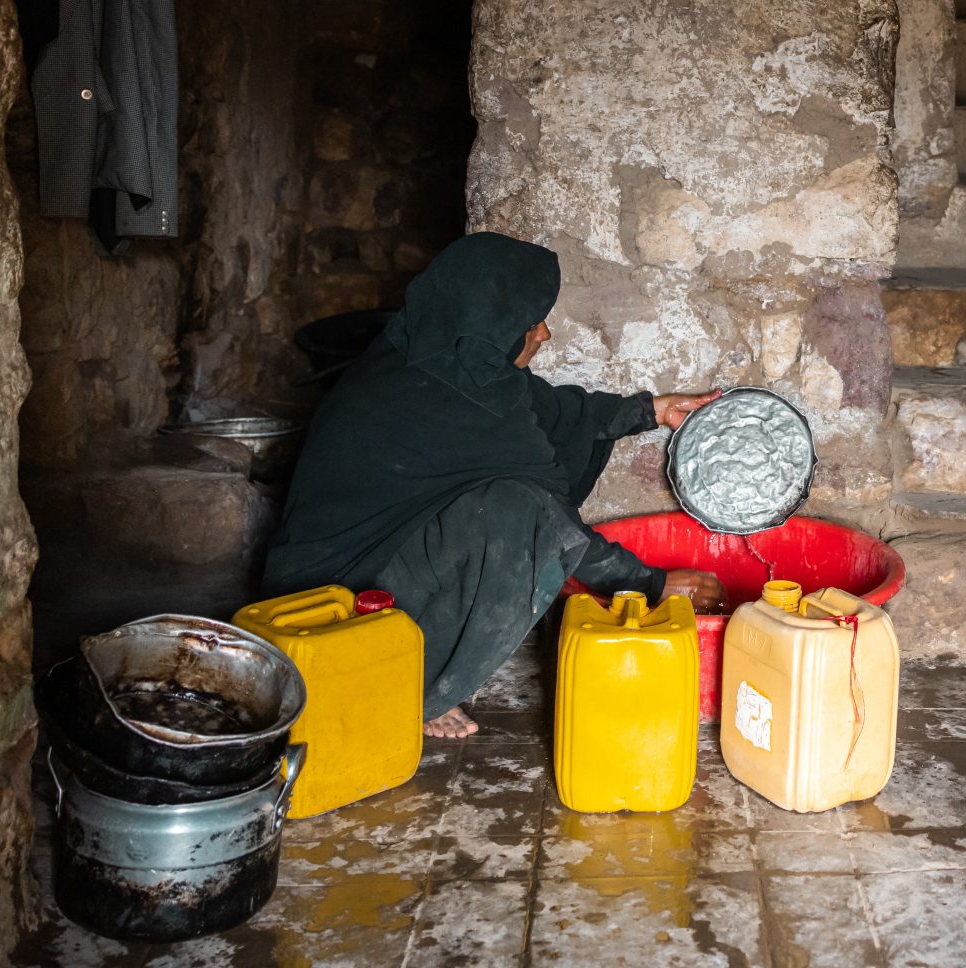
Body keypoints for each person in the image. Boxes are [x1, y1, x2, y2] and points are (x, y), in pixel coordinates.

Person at [261, 233, 724, 739]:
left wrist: (650, 411)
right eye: (532, 322)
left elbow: (549, 408)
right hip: (336, 603)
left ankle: (403, 666)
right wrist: (652, 584)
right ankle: (414, 689)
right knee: (519, 518)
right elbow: (551, 521)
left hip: (354, 568)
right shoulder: (462, 400)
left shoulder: (428, 350)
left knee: (519, 508)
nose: (544, 334)